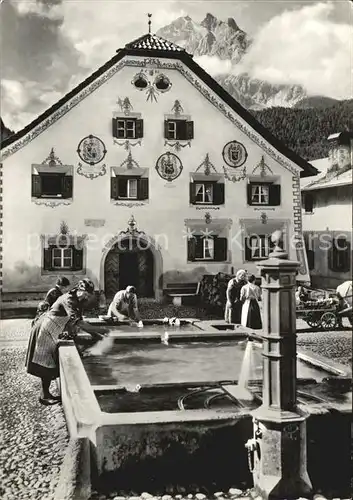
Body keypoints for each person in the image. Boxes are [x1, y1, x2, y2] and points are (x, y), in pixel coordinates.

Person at [25, 279, 107, 406]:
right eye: (85, 293)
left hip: (53, 329)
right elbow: (78, 322)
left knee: (49, 362)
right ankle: (44, 395)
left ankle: (46, 394)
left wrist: (95, 335)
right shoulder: (69, 299)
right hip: (46, 328)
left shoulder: (78, 301)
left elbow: (75, 321)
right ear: (79, 290)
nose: (86, 296)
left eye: (88, 294)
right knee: (45, 363)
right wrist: (100, 330)